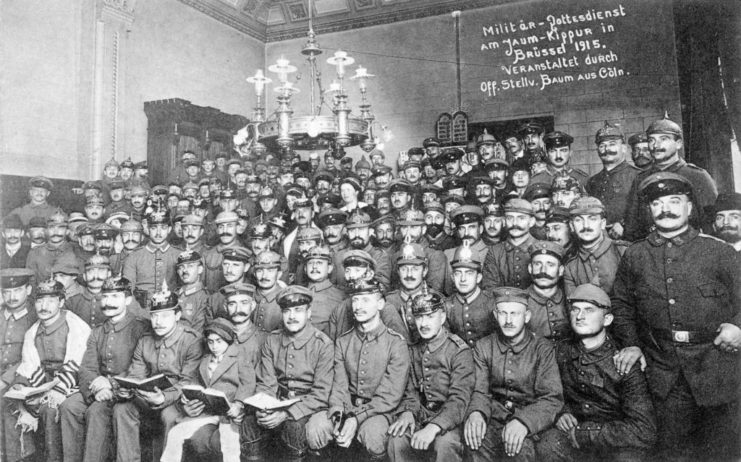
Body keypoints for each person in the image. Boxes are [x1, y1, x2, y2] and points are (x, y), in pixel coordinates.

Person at [610, 172, 741, 460]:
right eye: (657, 204)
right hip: (663, 371)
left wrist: (738, 326)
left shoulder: (718, 251)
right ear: (649, 210)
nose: (666, 209)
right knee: (673, 454)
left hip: (717, 367)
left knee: (724, 453)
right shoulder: (635, 255)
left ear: (690, 208)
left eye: (674, 201)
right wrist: (631, 343)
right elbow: (621, 306)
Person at [536, 284, 657, 461]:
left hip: (613, 444)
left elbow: (643, 430)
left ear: (607, 319)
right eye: (575, 310)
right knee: (548, 444)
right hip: (574, 441)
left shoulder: (623, 361)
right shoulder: (560, 352)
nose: (580, 316)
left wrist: (585, 433)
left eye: (589, 310)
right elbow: (548, 392)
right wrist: (560, 413)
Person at [463, 287, 563, 462]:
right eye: (503, 313)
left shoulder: (542, 348)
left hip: (530, 418)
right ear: (495, 315)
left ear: (527, 316)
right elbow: (479, 390)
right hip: (494, 416)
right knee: (475, 441)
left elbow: (551, 398)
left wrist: (524, 422)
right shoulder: (483, 346)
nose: (508, 320)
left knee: (519, 450)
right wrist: (476, 413)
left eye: (515, 314)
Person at [315, 279, 410, 461]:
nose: (358, 306)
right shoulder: (343, 342)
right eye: (355, 300)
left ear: (380, 304)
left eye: (365, 300)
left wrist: (355, 418)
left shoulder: (395, 343)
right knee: (316, 428)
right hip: (346, 406)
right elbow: (338, 386)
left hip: (379, 411)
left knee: (372, 433)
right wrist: (337, 412)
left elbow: (389, 397)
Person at [59, 276, 151, 462]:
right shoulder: (98, 331)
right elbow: (87, 368)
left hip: (128, 391)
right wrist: (96, 388)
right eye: (105, 297)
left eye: (115, 297)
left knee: (97, 411)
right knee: (69, 406)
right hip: (98, 389)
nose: (108, 302)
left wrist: (110, 385)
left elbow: (140, 369)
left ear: (127, 300)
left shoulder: (141, 328)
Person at [241, 285, 335, 461]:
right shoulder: (272, 340)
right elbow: (267, 383)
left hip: (307, 407)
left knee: (294, 427)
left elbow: (321, 394)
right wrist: (265, 409)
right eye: (287, 311)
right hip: (277, 403)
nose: (292, 316)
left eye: (298, 310)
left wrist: (286, 413)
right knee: (250, 422)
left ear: (309, 313)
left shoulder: (323, 345)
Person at [112, 286, 203, 462]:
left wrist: (163, 398)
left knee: (169, 415)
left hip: (177, 399)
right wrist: (128, 389)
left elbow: (188, 382)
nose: (158, 322)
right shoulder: (145, 340)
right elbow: (136, 373)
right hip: (148, 395)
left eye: (165, 316)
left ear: (177, 316)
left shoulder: (192, 340)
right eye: (154, 315)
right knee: (121, 408)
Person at [387, 289, 475, 462]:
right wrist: (409, 412)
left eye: (430, 317)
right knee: (397, 439)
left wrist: (434, 426)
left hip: (450, 420)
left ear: (442, 318)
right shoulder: (413, 349)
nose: (423, 323)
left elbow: (459, 399)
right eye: (419, 317)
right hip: (421, 414)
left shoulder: (458, 351)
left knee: (445, 444)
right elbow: (410, 390)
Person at [10, 279, 91, 462]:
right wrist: (20, 386)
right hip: (46, 384)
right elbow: (29, 364)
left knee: (54, 408)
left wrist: (59, 390)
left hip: (75, 383)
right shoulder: (32, 331)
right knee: (29, 405)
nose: (43, 306)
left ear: (61, 303)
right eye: (39, 301)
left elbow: (79, 362)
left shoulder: (75, 325)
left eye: (51, 301)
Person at [160, 318, 250, 462]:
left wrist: (238, 404)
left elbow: (248, 384)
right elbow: (196, 381)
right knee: (175, 434)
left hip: (229, 414)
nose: (214, 346)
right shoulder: (206, 359)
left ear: (228, 340)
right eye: (210, 341)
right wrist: (187, 396)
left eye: (219, 341)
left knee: (229, 446)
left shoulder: (240, 357)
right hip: (208, 411)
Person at [622, 114, 718, 241]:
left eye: (664, 139)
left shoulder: (698, 176)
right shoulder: (641, 179)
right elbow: (631, 225)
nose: (656, 145)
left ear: (678, 144)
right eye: (651, 140)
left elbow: (710, 224)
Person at [0, 268, 38, 462]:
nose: (12, 296)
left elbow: (30, 358)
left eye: (18, 290)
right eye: (6, 291)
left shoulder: (36, 317)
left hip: (23, 375)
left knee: (8, 401)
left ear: (29, 290)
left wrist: (5, 380)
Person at [563, 196, 629, 295]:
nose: (586, 226)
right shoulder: (570, 266)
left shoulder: (624, 252)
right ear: (572, 226)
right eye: (578, 220)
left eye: (592, 219)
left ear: (603, 224)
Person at [586, 121, 641, 239]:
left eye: (612, 144)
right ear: (597, 151)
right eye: (602, 146)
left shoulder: (638, 176)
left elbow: (644, 211)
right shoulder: (592, 181)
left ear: (624, 148)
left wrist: (623, 224)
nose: (607, 149)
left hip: (629, 240)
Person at [123, 208, 180, 308]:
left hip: (171, 309)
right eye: (154, 228)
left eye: (163, 228)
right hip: (141, 310)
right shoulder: (134, 256)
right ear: (148, 229)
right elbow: (127, 291)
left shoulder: (178, 255)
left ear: (170, 229)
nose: (158, 232)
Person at [482, 198, 540, 291]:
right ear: (504, 221)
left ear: (532, 222)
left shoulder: (540, 249)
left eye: (521, 218)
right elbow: (490, 289)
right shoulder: (495, 251)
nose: (514, 223)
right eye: (510, 218)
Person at [445, 245, 496, 348]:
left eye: (469, 273)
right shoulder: (446, 305)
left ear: (478, 278)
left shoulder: (491, 303)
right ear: (452, 278)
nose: (463, 279)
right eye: (458, 273)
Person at [386, 242, 431, 344]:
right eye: (404, 269)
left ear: (424, 271)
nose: (409, 274)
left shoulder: (434, 299)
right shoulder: (389, 301)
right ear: (398, 271)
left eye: (415, 269)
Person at [303, 245, 345, 337]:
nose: (314, 267)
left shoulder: (340, 296)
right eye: (310, 263)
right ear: (305, 269)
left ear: (329, 268)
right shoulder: (299, 293)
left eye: (319, 263)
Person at [25, 209, 76, 282]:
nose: (56, 231)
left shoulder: (75, 250)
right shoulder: (35, 253)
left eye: (61, 227)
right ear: (45, 230)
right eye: (51, 227)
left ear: (68, 231)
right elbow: (31, 282)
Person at [174, 250, 209, 333]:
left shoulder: (204, 298)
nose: (185, 271)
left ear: (200, 269)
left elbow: (197, 333)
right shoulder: (174, 295)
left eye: (190, 266)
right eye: (181, 267)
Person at [252, 250, 285, 333]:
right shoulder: (248, 297)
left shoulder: (285, 299)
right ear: (254, 274)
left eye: (270, 271)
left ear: (279, 274)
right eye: (260, 271)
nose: (264, 276)